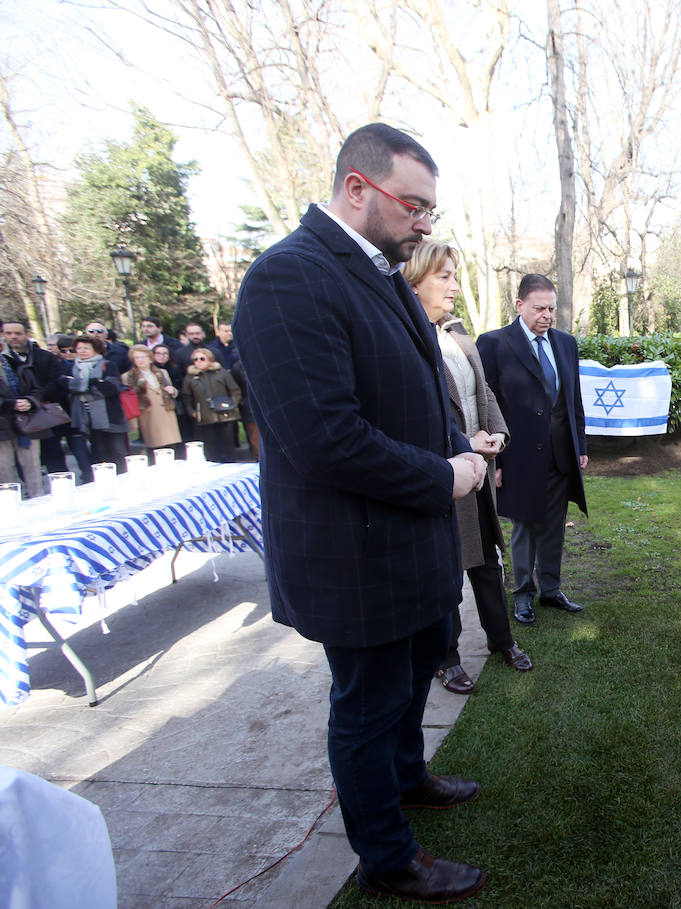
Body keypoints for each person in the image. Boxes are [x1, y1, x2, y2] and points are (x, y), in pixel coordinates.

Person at [234, 122, 490, 903]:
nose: (423, 221)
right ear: (356, 187)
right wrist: (446, 474)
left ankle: (408, 777)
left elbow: (420, 392)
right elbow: (325, 439)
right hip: (355, 555)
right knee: (369, 704)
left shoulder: (380, 273)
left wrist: (460, 444)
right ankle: (387, 855)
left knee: (413, 675)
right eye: (413, 204)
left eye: (429, 210)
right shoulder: (289, 276)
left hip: (411, 543)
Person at [402, 241, 532, 695]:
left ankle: (502, 641)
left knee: (487, 562)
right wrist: (463, 446)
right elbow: (411, 415)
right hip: (442, 474)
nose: (455, 286)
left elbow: (483, 392)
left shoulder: (457, 333)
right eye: (445, 277)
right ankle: (447, 657)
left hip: (476, 472)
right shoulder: (406, 335)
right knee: (448, 571)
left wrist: (498, 434)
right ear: (415, 279)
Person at [476, 274, 589, 625]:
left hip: (560, 453)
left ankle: (551, 590)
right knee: (524, 526)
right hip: (517, 455)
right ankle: (522, 594)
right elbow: (485, 404)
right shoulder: (494, 344)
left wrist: (580, 444)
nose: (547, 315)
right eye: (539, 307)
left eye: (551, 308)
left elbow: (573, 399)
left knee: (555, 525)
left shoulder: (566, 343)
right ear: (520, 304)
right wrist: (493, 460)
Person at [2, 320, 63, 497]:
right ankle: (10, 503)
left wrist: (29, 401)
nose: (12, 337)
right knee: (5, 468)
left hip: (27, 422)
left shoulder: (14, 363)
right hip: (3, 425)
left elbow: (35, 388)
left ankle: (37, 499)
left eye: (17, 333)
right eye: (8, 334)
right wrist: (10, 404)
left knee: (33, 466)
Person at [61, 335, 130, 470]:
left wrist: (80, 386)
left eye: (86, 348)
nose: (82, 351)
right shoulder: (72, 368)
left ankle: (123, 477)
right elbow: (64, 383)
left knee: (118, 452)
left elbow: (111, 388)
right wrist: (94, 383)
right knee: (100, 453)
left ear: (96, 349)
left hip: (111, 416)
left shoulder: (108, 365)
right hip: (87, 418)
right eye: (79, 348)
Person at [40, 336, 94, 483]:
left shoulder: (84, 365)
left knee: (79, 447)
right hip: (58, 411)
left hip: (76, 412)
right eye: (64, 351)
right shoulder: (56, 365)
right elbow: (57, 383)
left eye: (72, 350)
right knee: (55, 449)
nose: (68, 353)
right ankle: (61, 480)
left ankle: (88, 476)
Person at [181, 349, 241, 462]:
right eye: (195, 359)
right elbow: (186, 397)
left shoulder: (222, 373)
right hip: (205, 416)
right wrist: (192, 411)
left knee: (228, 445)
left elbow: (235, 390)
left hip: (225, 414)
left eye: (202, 358)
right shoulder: (190, 378)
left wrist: (232, 404)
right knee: (210, 448)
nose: (198, 361)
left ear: (210, 360)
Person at [123, 344, 182, 452]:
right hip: (148, 414)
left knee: (172, 447)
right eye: (137, 357)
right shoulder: (128, 377)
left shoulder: (162, 372)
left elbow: (173, 391)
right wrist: (133, 424)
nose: (140, 360)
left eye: (143, 357)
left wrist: (173, 390)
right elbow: (129, 401)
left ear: (150, 358)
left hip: (167, 413)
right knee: (155, 448)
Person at [154, 343, 194, 448]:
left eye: (165, 354)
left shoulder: (175, 369)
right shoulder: (151, 371)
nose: (162, 356)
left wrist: (175, 392)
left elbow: (183, 387)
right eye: (158, 353)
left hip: (177, 405)